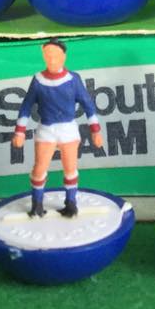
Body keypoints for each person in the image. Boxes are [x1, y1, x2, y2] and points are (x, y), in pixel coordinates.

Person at [12, 39, 103, 218]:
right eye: (48, 56)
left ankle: (71, 204)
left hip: (68, 130)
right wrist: (19, 132)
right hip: (46, 130)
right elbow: (26, 106)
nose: (52, 60)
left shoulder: (73, 79)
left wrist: (96, 131)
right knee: (39, 169)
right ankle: (37, 205)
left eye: (55, 56)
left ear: (63, 57)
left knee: (70, 168)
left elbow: (88, 104)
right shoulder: (38, 80)